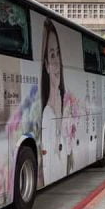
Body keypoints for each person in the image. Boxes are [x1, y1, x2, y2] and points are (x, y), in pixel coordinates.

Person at [41, 19, 67, 185]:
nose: (57, 62)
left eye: (58, 53)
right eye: (51, 55)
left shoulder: (65, 104)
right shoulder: (47, 115)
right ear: (46, 65)